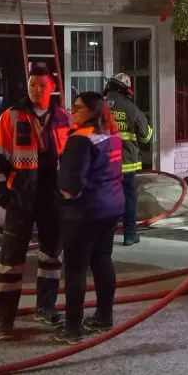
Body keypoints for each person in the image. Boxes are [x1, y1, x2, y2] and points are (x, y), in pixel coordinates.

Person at [0, 65, 72, 342]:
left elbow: (72, 161)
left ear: (53, 87)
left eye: (42, 85)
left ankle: (46, 308)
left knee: (51, 258)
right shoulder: (11, 117)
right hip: (20, 200)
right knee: (11, 262)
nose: (37, 90)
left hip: (52, 200)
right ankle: (5, 321)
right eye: (33, 85)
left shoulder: (64, 119)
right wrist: (2, 196)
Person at [53, 91, 125, 344]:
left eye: (78, 108)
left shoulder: (80, 140)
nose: (72, 112)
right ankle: (104, 317)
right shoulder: (111, 135)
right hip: (111, 207)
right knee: (102, 260)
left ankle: (73, 328)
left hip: (84, 211)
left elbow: (71, 184)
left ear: (92, 111)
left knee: (76, 268)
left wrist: (62, 192)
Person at [103, 73, 153, 246]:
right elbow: (146, 136)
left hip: (105, 164)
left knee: (107, 199)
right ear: (126, 90)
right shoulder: (131, 109)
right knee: (129, 199)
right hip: (127, 164)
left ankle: (105, 236)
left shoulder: (99, 107)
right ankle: (130, 234)